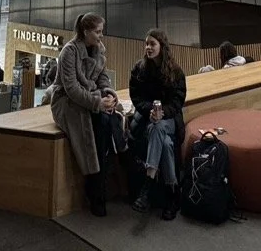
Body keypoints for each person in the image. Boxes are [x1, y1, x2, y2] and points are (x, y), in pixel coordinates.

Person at [49, 13, 121, 217]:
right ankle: (96, 190)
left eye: (101, 31)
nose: (101, 35)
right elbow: (71, 89)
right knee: (96, 123)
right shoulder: (69, 52)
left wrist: (107, 94)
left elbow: (103, 77)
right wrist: (98, 103)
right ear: (85, 31)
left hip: (91, 97)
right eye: (98, 32)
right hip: (66, 102)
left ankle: (100, 185)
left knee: (108, 120)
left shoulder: (99, 50)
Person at [127, 30, 187, 218]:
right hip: (148, 120)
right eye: (146, 44)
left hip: (170, 120)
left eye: (152, 44)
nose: (148, 47)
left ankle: (148, 182)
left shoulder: (176, 72)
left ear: (162, 46)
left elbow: (177, 101)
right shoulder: (139, 69)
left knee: (159, 127)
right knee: (166, 143)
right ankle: (172, 194)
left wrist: (163, 114)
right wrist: (150, 112)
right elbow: (136, 97)